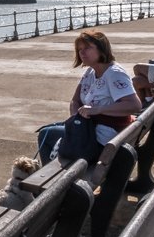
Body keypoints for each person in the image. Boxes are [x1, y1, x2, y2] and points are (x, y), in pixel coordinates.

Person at [36, 30, 142, 163]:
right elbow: (75, 100)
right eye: (79, 49)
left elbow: (135, 105)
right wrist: (75, 117)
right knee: (51, 132)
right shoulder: (90, 72)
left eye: (87, 48)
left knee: (46, 134)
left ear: (102, 49)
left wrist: (98, 109)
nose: (82, 52)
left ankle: (52, 181)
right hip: (89, 130)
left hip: (101, 139)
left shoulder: (114, 74)